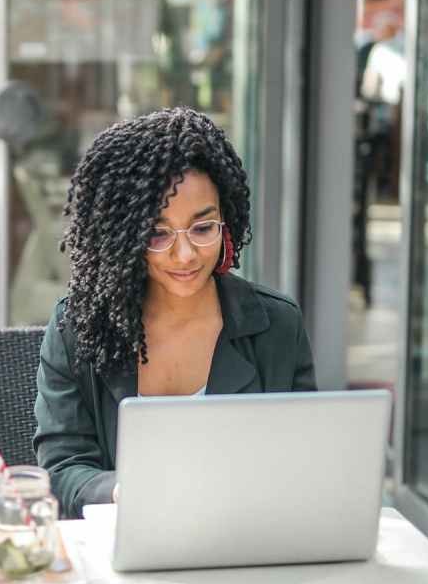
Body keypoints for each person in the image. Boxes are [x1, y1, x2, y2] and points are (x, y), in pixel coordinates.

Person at [33, 107, 317, 518]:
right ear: (124, 237)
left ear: (228, 223)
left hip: (248, 542)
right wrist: (122, 490)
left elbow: (303, 463)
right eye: (157, 233)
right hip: (123, 550)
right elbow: (61, 470)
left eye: (203, 229)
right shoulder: (77, 328)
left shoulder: (277, 326)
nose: (184, 255)